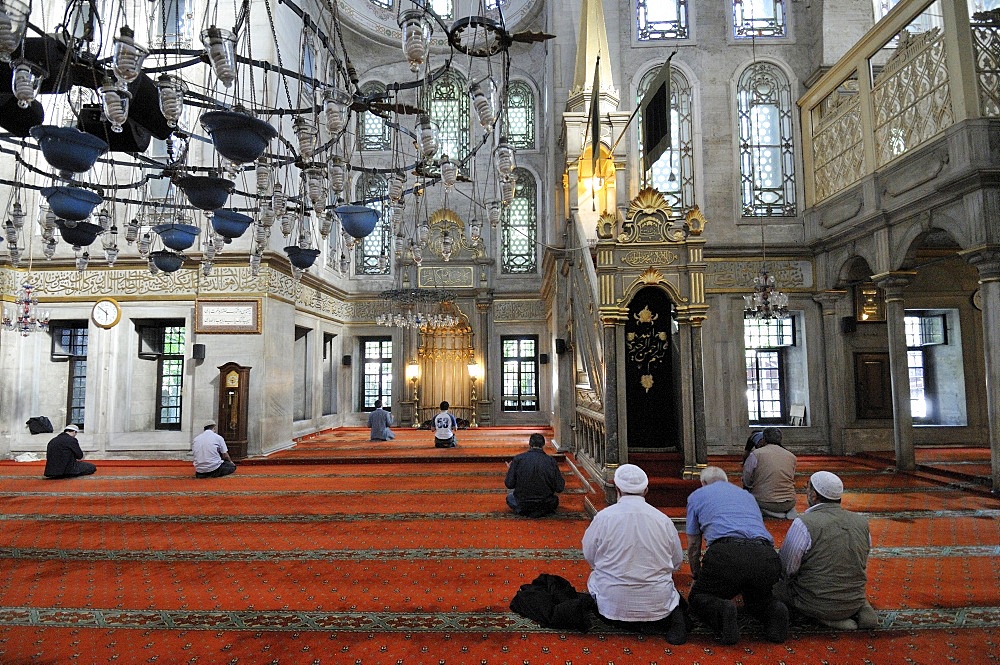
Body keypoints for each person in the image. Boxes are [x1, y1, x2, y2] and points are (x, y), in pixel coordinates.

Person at [582, 464, 689, 644]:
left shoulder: (603, 518)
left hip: (611, 611)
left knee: (596, 577)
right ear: (646, 490)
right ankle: (676, 620)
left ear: (617, 489)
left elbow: (590, 556)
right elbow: (677, 562)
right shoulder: (663, 520)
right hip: (659, 610)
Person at [686, 466, 789, 645]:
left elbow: (694, 544)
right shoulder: (747, 496)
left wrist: (696, 574)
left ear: (703, 483)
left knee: (698, 598)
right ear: (726, 480)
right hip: (765, 555)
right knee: (757, 597)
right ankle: (773, 609)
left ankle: (722, 610)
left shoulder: (697, 496)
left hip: (726, 555)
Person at [775, 471, 879, 630]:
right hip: (853, 598)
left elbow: (787, 568)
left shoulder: (804, 523)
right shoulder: (861, 522)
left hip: (816, 601)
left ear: (814, 496)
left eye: (807, 488)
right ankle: (862, 609)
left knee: (771, 586)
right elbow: (861, 561)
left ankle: (828, 619)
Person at [505, 433, 566, 517]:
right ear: (543, 445)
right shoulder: (551, 461)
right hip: (545, 504)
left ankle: (524, 510)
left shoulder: (518, 459)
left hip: (523, 504)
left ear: (530, 444)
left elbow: (509, 484)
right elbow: (559, 487)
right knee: (555, 499)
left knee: (510, 497)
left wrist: (510, 471)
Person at [743, 427, 798, 519]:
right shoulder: (791, 456)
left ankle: (769, 512)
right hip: (789, 502)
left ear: (764, 439)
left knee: (747, 496)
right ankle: (785, 512)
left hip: (765, 502)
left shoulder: (756, 454)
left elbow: (746, 479)